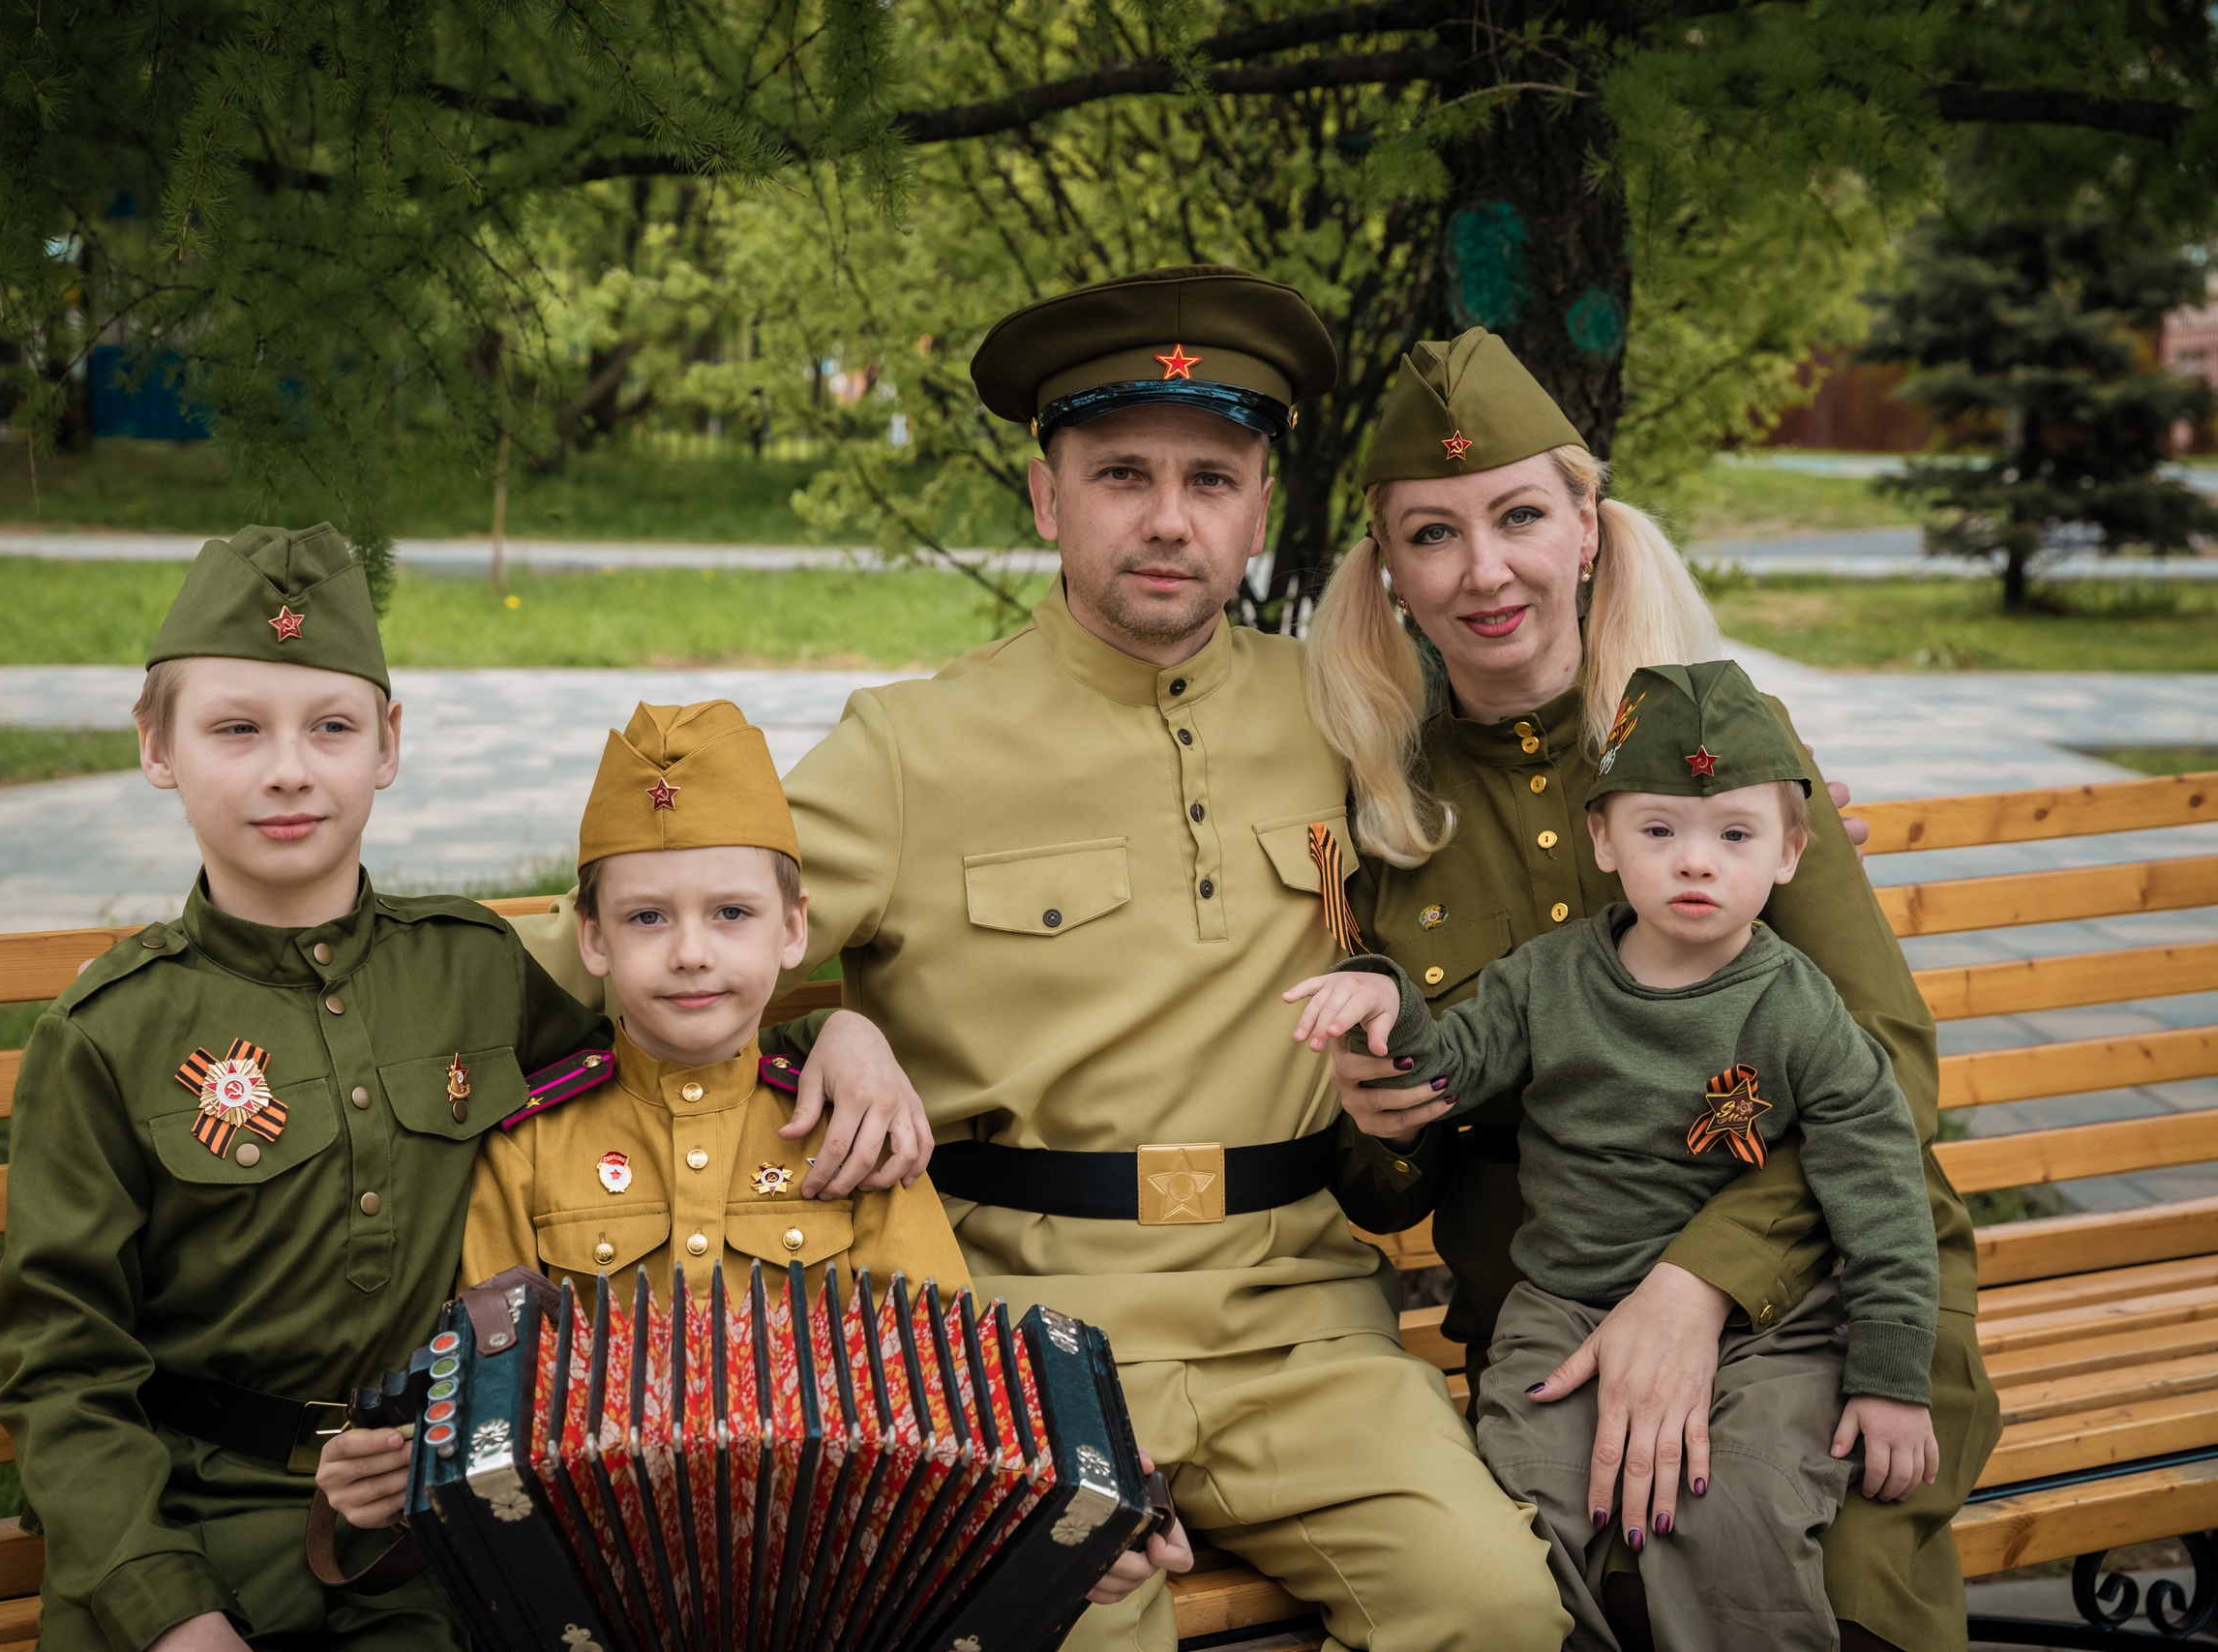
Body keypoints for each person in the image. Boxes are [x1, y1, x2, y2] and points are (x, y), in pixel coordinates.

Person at [511, 265, 1571, 1652]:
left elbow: (1547, 804)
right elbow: (659, 934)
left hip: (1300, 1319)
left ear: (1260, 502)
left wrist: (1772, 805)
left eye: (1213, 475)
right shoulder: (912, 746)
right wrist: (815, 1031)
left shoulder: (1344, 704)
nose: (1170, 518)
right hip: (1015, 1333)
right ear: (1045, 498)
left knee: (1494, 1606)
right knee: (1072, 1619)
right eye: (1122, 471)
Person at [0, 532, 858, 1652]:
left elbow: (675, 1057)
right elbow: (63, 1368)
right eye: (236, 728)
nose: (290, 770)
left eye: (332, 727)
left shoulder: (471, 972)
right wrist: (169, 1611)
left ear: (387, 746)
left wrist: (849, 1038)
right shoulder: (110, 1034)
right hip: (185, 1533)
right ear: (157, 747)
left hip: (426, 1532)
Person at [1305, 331, 1998, 1652]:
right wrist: (1388, 1116)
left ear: (1586, 527)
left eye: (1519, 515)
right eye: (1433, 533)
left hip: (1826, 1287)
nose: (1485, 568)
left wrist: (1698, 1283)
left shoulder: (1720, 750)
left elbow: (1886, 1069)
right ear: (1389, 569)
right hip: (1553, 1313)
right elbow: (1376, 1174)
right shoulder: (1385, 816)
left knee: (1799, 1593)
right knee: (1551, 1591)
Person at [314, 699, 1188, 1598]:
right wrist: (389, 1472)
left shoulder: (853, 1134)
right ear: (592, 937)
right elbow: (486, 1414)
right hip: (596, 1585)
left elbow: (953, 1394)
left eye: (732, 911)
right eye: (647, 917)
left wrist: (1070, 1516)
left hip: (838, 1578)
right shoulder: (529, 1145)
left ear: (795, 928)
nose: (691, 952)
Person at [1288, 659, 1940, 1651]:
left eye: (1733, 835)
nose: (1693, 863)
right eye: (1657, 831)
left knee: (1745, 1511)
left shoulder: (1798, 1009)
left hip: (1773, 1331)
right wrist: (1385, 1003)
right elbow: (1447, 1066)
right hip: (1561, 1307)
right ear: (1602, 838)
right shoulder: (1546, 980)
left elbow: (1880, 1188)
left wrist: (1892, 1377)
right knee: (1528, 1510)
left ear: (1790, 853)